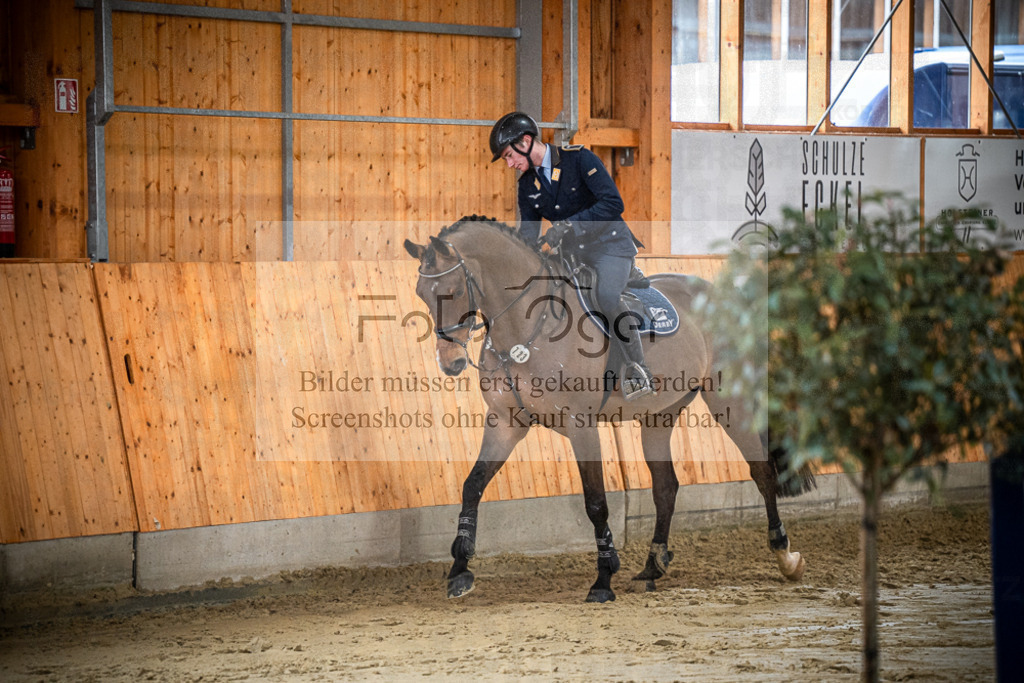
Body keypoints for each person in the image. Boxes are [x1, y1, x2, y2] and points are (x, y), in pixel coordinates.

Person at [488, 111, 653, 400]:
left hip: (609, 246)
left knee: (607, 298)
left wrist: (568, 226)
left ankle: (637, 370)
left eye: (509, 156)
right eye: (505, 159)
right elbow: (528, 234)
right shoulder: (527, 186)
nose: (510, 164)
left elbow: (613, 203)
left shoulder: (580, 160)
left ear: (526, 142)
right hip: (572, 256)